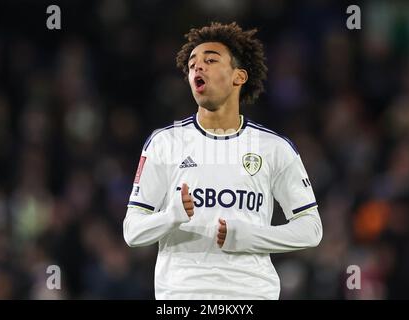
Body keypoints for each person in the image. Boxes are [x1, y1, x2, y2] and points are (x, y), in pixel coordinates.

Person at [123, 22, 323, 300]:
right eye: (192, 64)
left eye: (210, 60)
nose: (197, 68)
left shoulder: (274, 148)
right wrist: (172, 215)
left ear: (238, 76)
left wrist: (250, 236)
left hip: (251, 294)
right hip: (183, 295)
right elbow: (132, 231)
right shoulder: (165, 143)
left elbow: (311, 229)